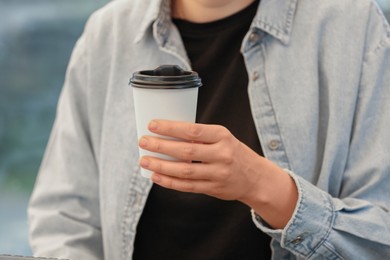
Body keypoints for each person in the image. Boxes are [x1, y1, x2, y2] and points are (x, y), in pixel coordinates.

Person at [28, 0, 390, 259]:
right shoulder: (107, 32)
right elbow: (65, 217)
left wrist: (265, 187)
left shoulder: (352, 25)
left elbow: (381, 234)